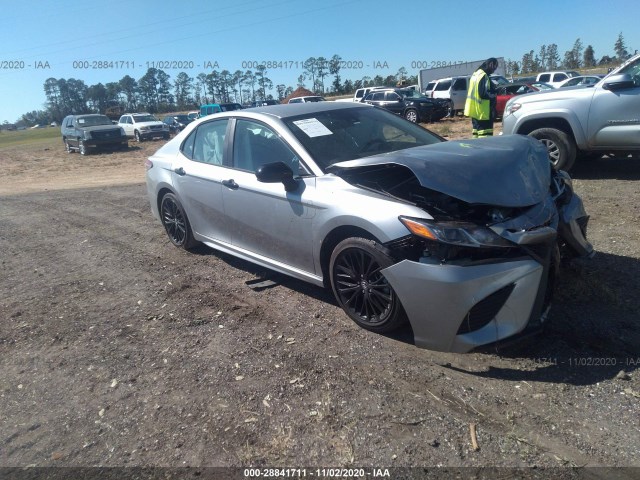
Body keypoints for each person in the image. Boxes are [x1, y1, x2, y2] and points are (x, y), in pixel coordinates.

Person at [464, 58, 498, 138]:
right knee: (485, 135)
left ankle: (476, 149)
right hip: (483, 112)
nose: (494, 70)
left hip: (475, 111)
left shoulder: (476, 74)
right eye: (494, 67)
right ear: (490, 65)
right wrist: (495, 94)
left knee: (476, 134)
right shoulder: (483, 76)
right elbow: (483, 93)